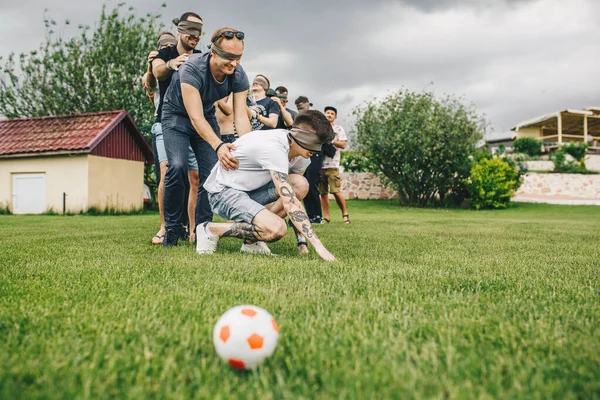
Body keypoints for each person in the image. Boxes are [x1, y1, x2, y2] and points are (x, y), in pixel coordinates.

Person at [197, 110, 336, 261]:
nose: (318, 149)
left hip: (251, 192)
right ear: (302, 136)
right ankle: (209, 229)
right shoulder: (274, 147)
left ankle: (252, 243)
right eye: (317, 142)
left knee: (300, 184)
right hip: (223, 193)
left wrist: (301, 242)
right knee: (277, 229)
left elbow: (294, 199)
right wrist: (319, 246)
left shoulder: (302, 155)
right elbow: (290, 203)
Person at [161, 27, 252, 247]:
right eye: (228, 57)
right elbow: (195, 117)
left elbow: (240, 117)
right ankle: (173, 229)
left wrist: (251, 149)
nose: (234, 63)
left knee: (211, 173)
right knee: (177, 165)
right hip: (176, 115)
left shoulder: (238, 75)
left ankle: (203, 229)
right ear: (213, 53)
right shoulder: (192, 68)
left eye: (238, 58)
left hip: (206, 114)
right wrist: (220, 145)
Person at [143, 25, 200, 244]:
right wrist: (151, 65)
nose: (168, 47)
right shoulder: (159, 64)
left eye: (170, 44)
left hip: (188, 124)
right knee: (167, 174)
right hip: (163, 123)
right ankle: (165, 226)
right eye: (163, 45)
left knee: (193, 177)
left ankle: (190, 228)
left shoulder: (186, 61)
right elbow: (149, 86)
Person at [295, 96, 324, 224]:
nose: (301, 109)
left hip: (316, 154)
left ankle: (318, 215)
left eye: (302, 106)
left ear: (308, 105)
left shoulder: (316, 118)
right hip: (303, 153)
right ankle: (310, 215)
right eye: (298, 107)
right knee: (304, 183)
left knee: (312, 184)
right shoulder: (299, 119)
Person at [319, 106, 350, 224]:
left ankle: (345, 214)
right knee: (323, 193)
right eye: (327, 113)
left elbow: (343, 144)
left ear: (335, 117)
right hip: (320, 165)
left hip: (333, 164)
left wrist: (331, 141)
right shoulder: (320, 129)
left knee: (335, 191)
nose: (329, 115)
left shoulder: (338, 129)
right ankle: (326, 217)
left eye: (332, 113)